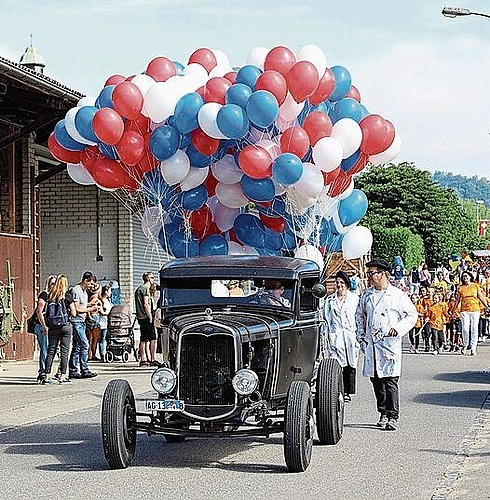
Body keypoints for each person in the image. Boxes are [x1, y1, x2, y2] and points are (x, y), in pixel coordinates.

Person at [355, 258, 417, 431]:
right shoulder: (366, 295)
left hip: (389, 343)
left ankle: (393, 415)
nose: (369, 277)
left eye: (372, 273)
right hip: (372, 343)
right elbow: (359, 315)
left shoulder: (397, 295)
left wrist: (398, 328)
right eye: (368, 274)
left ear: (382, 274)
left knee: (390, 380)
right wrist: (360, 333)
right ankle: (382, 412)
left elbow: (412, 315)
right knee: (376, 380)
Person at [323, 271, 359, 402]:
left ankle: (348, 391)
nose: (339, 285)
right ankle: (339, 390)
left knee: (351, 362)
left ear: (347, 285)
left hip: (350, 334)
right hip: (336, 334)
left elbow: (359, 316)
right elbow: (325, 317)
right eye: (337, 283)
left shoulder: (354, 299)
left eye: (341, 283)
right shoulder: (330, 300)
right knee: (338, 363)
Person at [42, 275, 76, 384]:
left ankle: (46, 376)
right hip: (65, 326)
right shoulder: (67, 296)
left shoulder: (50, 296)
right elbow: (74, 313)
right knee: (64, 351)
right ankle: (62, 376)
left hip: (53, 327)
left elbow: (46, 312)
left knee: (51, 350)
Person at [68, 271, 99, 379]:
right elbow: (77, 309)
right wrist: (90, 309)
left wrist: (92, 305)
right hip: (76, 322)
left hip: (82, 322)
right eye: (90, 283)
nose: (91, 286)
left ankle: (73, 370)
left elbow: (83, 305)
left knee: (77, 347)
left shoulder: (85, 292)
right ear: (86, 281)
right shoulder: (76, 290)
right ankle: (84, 369)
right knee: (85, 344)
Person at [453, 271, 489, 356]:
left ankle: (473, 348)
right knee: (465, 328)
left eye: (467, 276)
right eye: (464, 276)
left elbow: (480, 296)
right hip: (464, 310)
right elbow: (457, 300)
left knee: (474, 329)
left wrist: (486, 306)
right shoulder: (460, 287)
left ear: (470, 277)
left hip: (475, 309)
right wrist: (454, 309)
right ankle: (465, 345)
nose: (465, 278)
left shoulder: (475, 285)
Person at [33, 275, 56, 383]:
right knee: (45, 349)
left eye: (55, 284)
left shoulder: (55, 297)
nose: (54, 286)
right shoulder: (44, 295)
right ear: (48, 284)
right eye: (52, 283)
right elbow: (39, 311)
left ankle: (45, 372)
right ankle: (42, 373)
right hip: (42, 326)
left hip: (50, 326)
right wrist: (44, 326)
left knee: (49, 350)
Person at [135, 271, 161, 367]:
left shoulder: (139, 289)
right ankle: (153, 358)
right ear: (149, 279)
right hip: (146, 317)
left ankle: (143, 359)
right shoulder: (145, 289)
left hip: (141, 317)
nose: (153, 279)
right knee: (153, 338)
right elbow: (146, 304)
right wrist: (150, 317)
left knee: (144, 339)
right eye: (153, 277)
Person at [98, 285, 113, 362]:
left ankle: (110, 354)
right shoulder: (100, 301)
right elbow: (102, 312)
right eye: (109, 291)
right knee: (102, 339)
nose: (110, 293)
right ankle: (102, 355)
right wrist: (108, 313)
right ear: (106, 292)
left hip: (108, 323)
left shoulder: (108, 301)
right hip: (102, 323)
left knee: (109, 339)